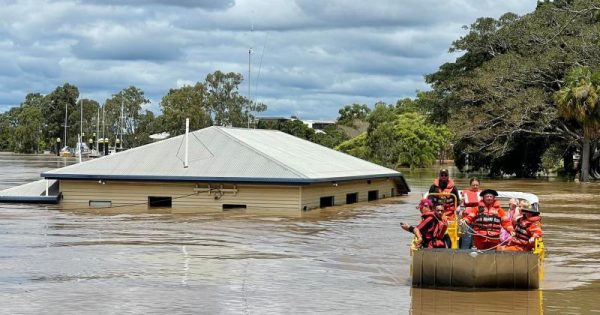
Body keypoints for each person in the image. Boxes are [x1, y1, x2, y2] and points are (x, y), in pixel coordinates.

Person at [459, 178, 481, 249]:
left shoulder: (482, 194)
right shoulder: (465, 193)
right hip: (467, 218)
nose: (475, 186)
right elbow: (460, 206)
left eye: (476, 185)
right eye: (473, 185)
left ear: (479, 185)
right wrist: (461, 201)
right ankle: (464, 254)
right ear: (470, 185)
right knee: (466, 238)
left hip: (478, 219)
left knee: (477, 238)